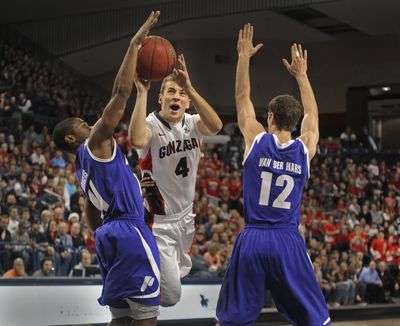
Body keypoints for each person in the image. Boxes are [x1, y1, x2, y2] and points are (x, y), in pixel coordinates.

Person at [216, 24, 330, 326]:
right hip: (287, 239)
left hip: (253, 237)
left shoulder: (256, 139)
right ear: (295, 123)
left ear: (270, 118)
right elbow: (314, 117)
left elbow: (242, 97)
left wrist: (243, 58)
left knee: (232, 320)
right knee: (313, 319)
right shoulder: (304, 147)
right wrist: (302, 76)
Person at [52, 11, 161, 326]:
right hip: (129, 230)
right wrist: (134, 45)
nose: (87, 122)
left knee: (121, 316)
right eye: (80, 123)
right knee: (146, 315)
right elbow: (120, 94)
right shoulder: (95, 143)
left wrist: (97, 231)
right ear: (72, 137)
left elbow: (88, 206)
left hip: (109, 235)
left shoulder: (81, 166)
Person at [128, 51, 222, 306]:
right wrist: (142, 92)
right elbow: (136, 139)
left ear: (187, 101)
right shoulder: (150, 124)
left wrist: (189, 86)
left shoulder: (193, 123)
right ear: (161, 98)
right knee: (171, 297)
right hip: (158, 222)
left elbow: (216, 126)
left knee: (179, 276)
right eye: (170, 92)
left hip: (185, 218)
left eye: (181, 94)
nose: (176, 97)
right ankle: (130, 292)